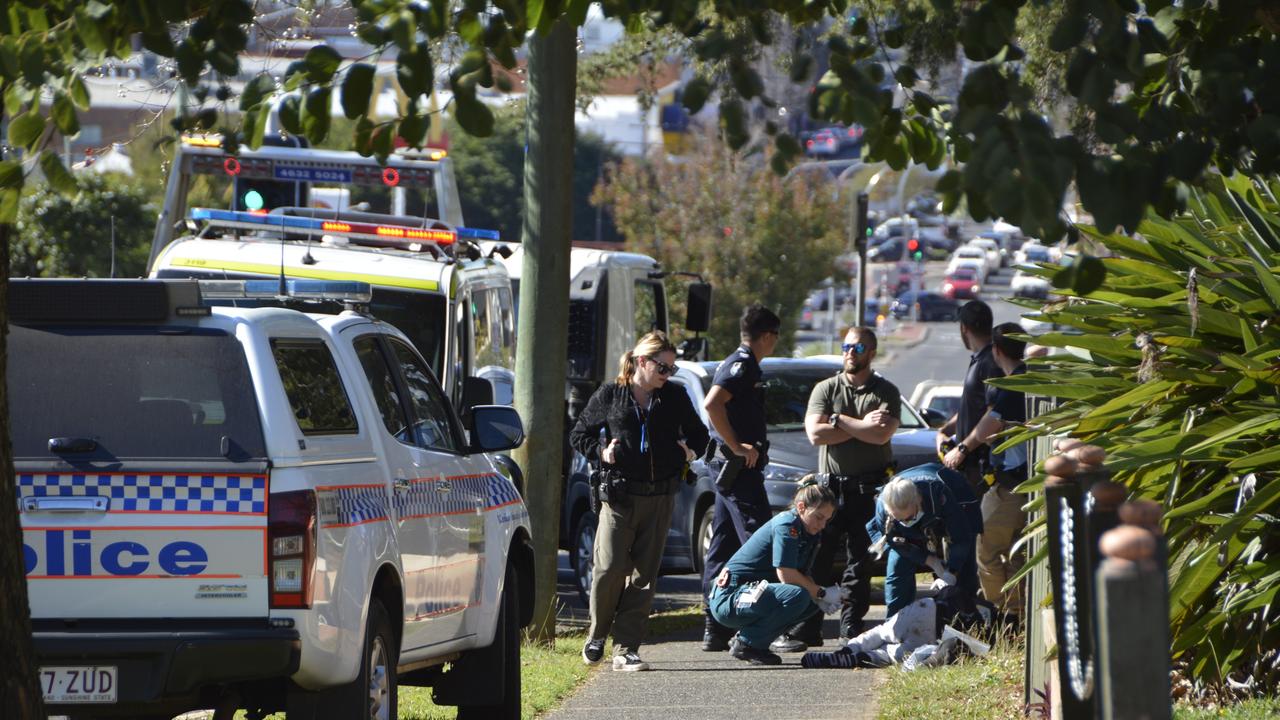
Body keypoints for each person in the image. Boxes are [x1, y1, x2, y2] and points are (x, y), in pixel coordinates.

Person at [570, 331, 710, 671]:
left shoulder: (673, 397)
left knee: (644, 576)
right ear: (642, 362)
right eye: (663, 368)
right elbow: (579, 434)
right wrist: (602, 453)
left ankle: (626, 647)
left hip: (661, 496)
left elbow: (701, 435)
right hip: (619, 497)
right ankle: (597, 635)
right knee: (609, 568)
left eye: (671, 369)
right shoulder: (611, 394)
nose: (667, 375)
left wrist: (689, 452)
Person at [772, 326, 900, 653]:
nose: (849, 353)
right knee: (817, 562)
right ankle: (807, 628)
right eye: (846, 346)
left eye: (857, 348)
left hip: (868, 489)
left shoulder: (885, 391)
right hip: (829, 491)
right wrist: (858, 425)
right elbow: (816, 434)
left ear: (871, 352)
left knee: (860, 564)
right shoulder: (826, 388)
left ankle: (851, 631)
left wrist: (838, 422)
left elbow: (881, 435)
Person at [700, 304, 781, 651]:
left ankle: (714, 626)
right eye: (775, 336)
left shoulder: (741, 362)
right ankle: (755, 627)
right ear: (767, 336)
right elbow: (712, 404)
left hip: (734, 470)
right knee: (760, 540)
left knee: (724, 545)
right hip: (738, 469)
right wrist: (736, 446)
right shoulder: (742, 364)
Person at [942, 322, 1029, 621]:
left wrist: (962, 449)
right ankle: (1019, 619)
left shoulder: (1013, 386)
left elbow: (988, 425)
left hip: (1011, 487)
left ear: (996, 350)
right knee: (1018, 554)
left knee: (987, 552)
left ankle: (1002, 614)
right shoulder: (1031, 380)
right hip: (1028, 486)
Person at [708, 479, 839, 665]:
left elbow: (802, 573)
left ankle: (753, 641)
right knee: (800, 595)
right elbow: (786, 574)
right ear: (801, 507)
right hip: (730, 597)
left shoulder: (808, 531)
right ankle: (747, 644)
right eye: (819, 517)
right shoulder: (787, 525)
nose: (822, 525)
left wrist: (819, 598)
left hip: (752, 594)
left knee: (810, 601)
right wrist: (822, 592)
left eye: (827, 519)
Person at [866, 466, 980, 618]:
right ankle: (896, 624)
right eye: (898, 519)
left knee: (964, 571)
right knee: (898, 567)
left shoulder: (939, 494)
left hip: (955, 498)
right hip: (913, 525)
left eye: (908, 518)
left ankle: (966, 621)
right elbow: (896, 543)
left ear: (918, 501)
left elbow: (961, 536)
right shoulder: (882, 506)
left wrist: (950, 572)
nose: (904, 522)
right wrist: (929, 560)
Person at [934, 300, 1002, 498]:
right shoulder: (980, 360)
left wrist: (963, 449)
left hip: (980, 465)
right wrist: (946, 430)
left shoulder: (990, 362)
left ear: (964, 328)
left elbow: (995, 412)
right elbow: (973, 408)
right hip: (967, 464)